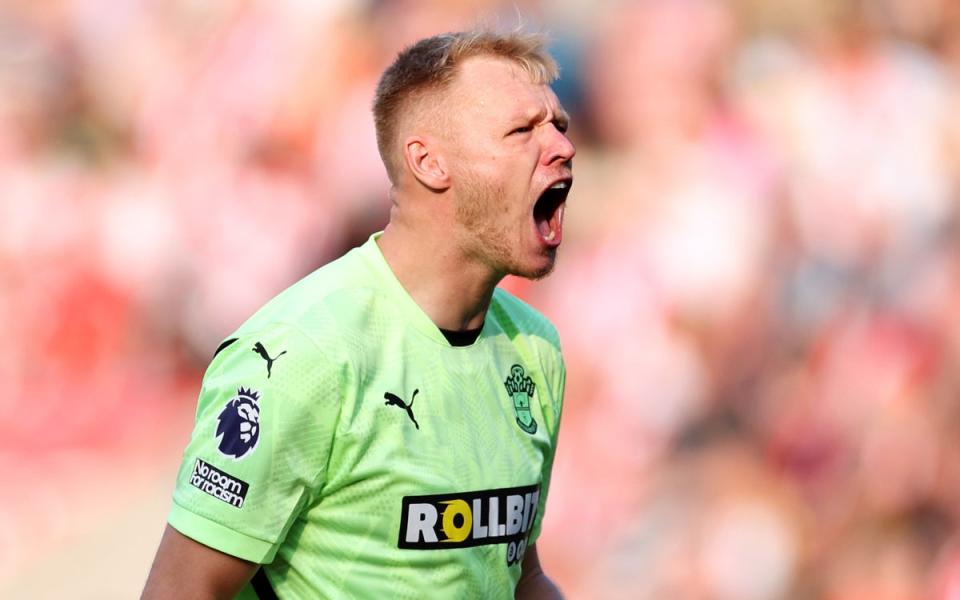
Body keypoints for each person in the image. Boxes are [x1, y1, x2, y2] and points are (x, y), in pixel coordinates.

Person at [142, 27, 575, 599]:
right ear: (429, 162)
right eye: (522, 130)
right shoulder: (299, 357)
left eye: (558, 126)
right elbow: (180, 592)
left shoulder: (533, 349)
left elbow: (520, 577)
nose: (561, 146)